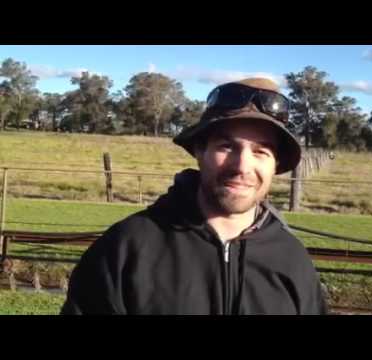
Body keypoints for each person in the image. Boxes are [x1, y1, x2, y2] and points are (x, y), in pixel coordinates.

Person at [61, 77, 328, 315]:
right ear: (199, 150)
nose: (242, 167)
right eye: (226, 146)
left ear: (275, 165)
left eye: (261, 152)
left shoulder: (293, 260)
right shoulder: (125, 249)